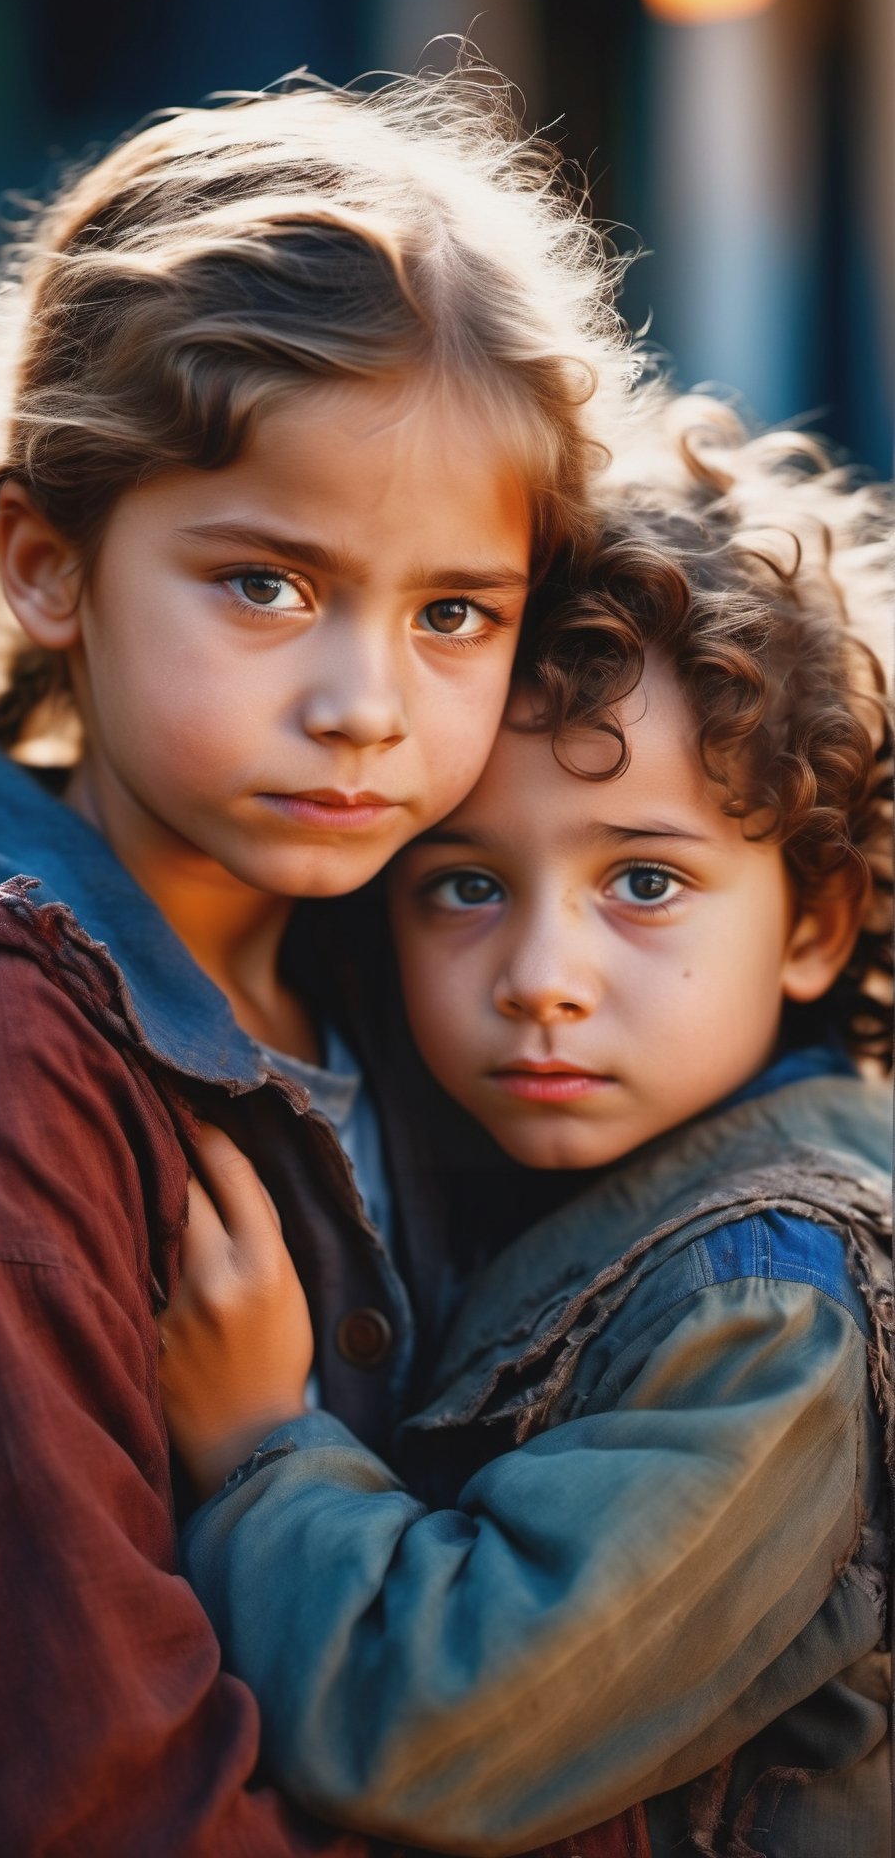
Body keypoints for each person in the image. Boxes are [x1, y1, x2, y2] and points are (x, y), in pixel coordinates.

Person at [0, 68, 647, 1856]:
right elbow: (87, 1798)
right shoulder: (0, 1077)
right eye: (266, 584)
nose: (363, 707)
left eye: (452, 615)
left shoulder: (434, 988)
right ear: (51, 563)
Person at [159, 418, 893, 1858]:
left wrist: (258, 1448)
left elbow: (426, 1721)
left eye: (641, 879)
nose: (542, 974)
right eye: (466, 887)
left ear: (811, 922)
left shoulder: (775, 1309)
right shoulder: (498, 1177)